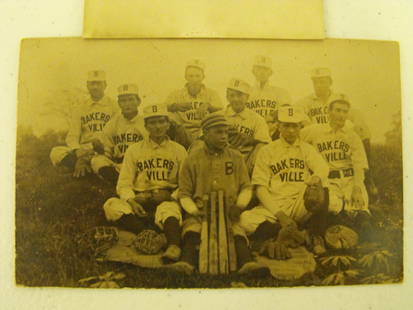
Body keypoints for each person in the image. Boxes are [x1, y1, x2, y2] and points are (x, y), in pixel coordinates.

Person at [165, 113, 269, 275]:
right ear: (206, 133)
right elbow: (184, 194)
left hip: (229, 211)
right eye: (218, 132)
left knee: (237, 232)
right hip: (201, 211)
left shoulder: (236, 157)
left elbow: (246, 187)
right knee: (192, 231)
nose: (224, 137)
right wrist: (194, 211)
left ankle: (246, 263)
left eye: (226, 132)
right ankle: (186, 262)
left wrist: (239, 206)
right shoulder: (192, 159)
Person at [238, 106, 330, 259]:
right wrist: (281, 216)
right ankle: (295, 234)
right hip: (275, 205)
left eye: (295, 126)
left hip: (299, 202)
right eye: (286, 125)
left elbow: (322, 167)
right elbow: (260, 189)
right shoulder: (267, 150)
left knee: (324, 187)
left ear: (300, 127)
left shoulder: (307, 149)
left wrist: (316, 178)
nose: (291, 130)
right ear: (278, 126)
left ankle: (315, 235)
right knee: (244, 220)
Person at [102, 104, 187, 263]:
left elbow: (186, 184)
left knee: (168, 210)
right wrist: (132, 201)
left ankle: (173, 245)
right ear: (146, 126)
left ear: (168, 124)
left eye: (161, 122)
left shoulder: (179, 150)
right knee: (111, 205)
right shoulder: (134, 150)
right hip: (140, 200)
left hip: (166, 198)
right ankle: (150, 234)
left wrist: (171, 196)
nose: (158, 127)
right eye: (152, 123)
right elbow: (124, 183)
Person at [300, 94, 374, 243]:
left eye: (345, 111)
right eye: (338, 110)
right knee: (331, 209)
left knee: (360, 211)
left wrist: (358, 188)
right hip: (328, 181)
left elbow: (359, 165)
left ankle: (362, 239)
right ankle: (334, 234)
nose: (341, 115)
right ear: (329, 111)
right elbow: (295, 139)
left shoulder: (352, 136)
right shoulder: (314, 131)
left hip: (349, 179)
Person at [295, 67, 377, 199]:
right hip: (317, 139)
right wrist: (310, 126)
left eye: (323, 81)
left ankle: (368, 177)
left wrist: (356, 127)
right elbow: (297, 115)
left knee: (362, 132)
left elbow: (355, 115)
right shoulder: (306, 102)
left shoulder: (338, 99)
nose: (319, 85)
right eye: (316, 82)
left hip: (338, 136)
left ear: (330, 82)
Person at [49, 70, 117, 177]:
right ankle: (86, 166)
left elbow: (115, 133)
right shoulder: (80, 107)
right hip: (84, 149)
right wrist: (77, 151)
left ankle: (87, 167)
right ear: (87, 85)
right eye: (92, 83)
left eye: (98, 83)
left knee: (100, 159)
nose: (95, 87)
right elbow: (73, 136)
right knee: (56, 152)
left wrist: (102, 147)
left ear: (105, 85)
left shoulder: (114, 106)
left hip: (104, 149)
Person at [90, 83, 145, 185]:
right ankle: (118, 180)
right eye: (123, 101)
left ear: (139, 102)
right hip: (119, 164)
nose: (127, 104)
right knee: (97, 160)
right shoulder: (113, 122)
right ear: (119, 104)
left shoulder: (145, 122)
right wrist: (99, 146)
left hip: (139, 163)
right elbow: (107, 148)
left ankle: (120, 181)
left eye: (131, 99)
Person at [164, 59, 223, 143]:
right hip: (181, 132)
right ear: (185, 77)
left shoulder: (211, 94)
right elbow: (162, 110)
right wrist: (175, 106)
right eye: (191, 76)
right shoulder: (176, 94)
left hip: (205, 132)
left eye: (197, 76)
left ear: (203, 77)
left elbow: (221, 111)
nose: (194, 79)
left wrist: (209, 106)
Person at [224, 78, 271, 174]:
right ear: (227, 97)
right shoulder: (219, 116)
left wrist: (251, 140)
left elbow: (265, 143)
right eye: (232, 95)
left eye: (240, 95)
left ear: (247, 97)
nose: (236, 99)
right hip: (222, 159)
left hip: (247, 161)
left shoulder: (257, 119)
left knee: (261, 148)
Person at [246, 55, 291, 137]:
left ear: (270, 73)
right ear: (253, 71)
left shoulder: (280, 92)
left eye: (265, 69)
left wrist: (271, 116)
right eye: (259, 68)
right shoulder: (246, 92)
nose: (262, 72)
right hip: (251, 132)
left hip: (275, 133)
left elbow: (286, 109)